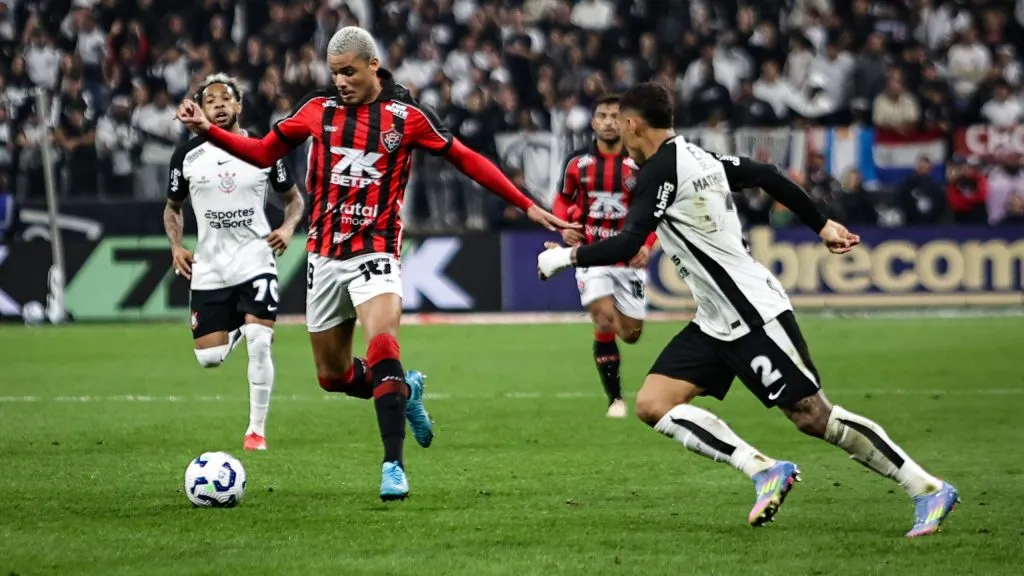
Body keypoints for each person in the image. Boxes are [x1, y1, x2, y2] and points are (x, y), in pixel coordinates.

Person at [537, 83, 959, 538]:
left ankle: (927, 487)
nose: (616, 134)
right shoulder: (699, 158)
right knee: (654, 404)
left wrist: (565, 258)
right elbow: (767, 174)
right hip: (715, 319)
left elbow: (629, 241)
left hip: (754, 313)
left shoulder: (659, 171)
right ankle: (763, 470)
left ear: (634, 124)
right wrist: (821, 223)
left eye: (620, 124)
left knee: (813, 416)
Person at [176, 27, 577, 501]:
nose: (340, 81)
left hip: (376, 251)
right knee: (333, 377)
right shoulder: (316, 111)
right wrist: (209, 132)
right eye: (334, 73)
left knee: (384, 344)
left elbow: (467, 160)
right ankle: (403, 391)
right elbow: (263, 151)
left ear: (373, 66)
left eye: (348, 72)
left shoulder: (404, 117)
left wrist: (526, 205)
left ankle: (393, 467)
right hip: (323, 257)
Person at [164, 74, 305, 452]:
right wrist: (176, 246)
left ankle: (256, 431)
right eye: (211, 100)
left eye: (227, 98)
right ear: (202, 110)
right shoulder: (187, 157)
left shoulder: (261, 149)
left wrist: (289, 228)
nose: (220, 104)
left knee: (262, 342)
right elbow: (173, 208)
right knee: (209, 358)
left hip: (255, 259)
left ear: (239, 106)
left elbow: (294, 200)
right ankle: (241, 327)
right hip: (210, 266)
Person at [554, 94, 656, 418]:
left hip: (628, 257)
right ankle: (615, 399)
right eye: (603, 115)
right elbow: (562, 199)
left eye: (615, 115)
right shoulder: (577, 163)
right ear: (594, 122)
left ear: (627, 121)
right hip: (591, 252)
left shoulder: (641, 162)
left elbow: (655, 209)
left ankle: (613, 337)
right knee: (602, 316)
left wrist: (647, 244)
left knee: (631, 334)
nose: (609, 121)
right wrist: (563, 228)